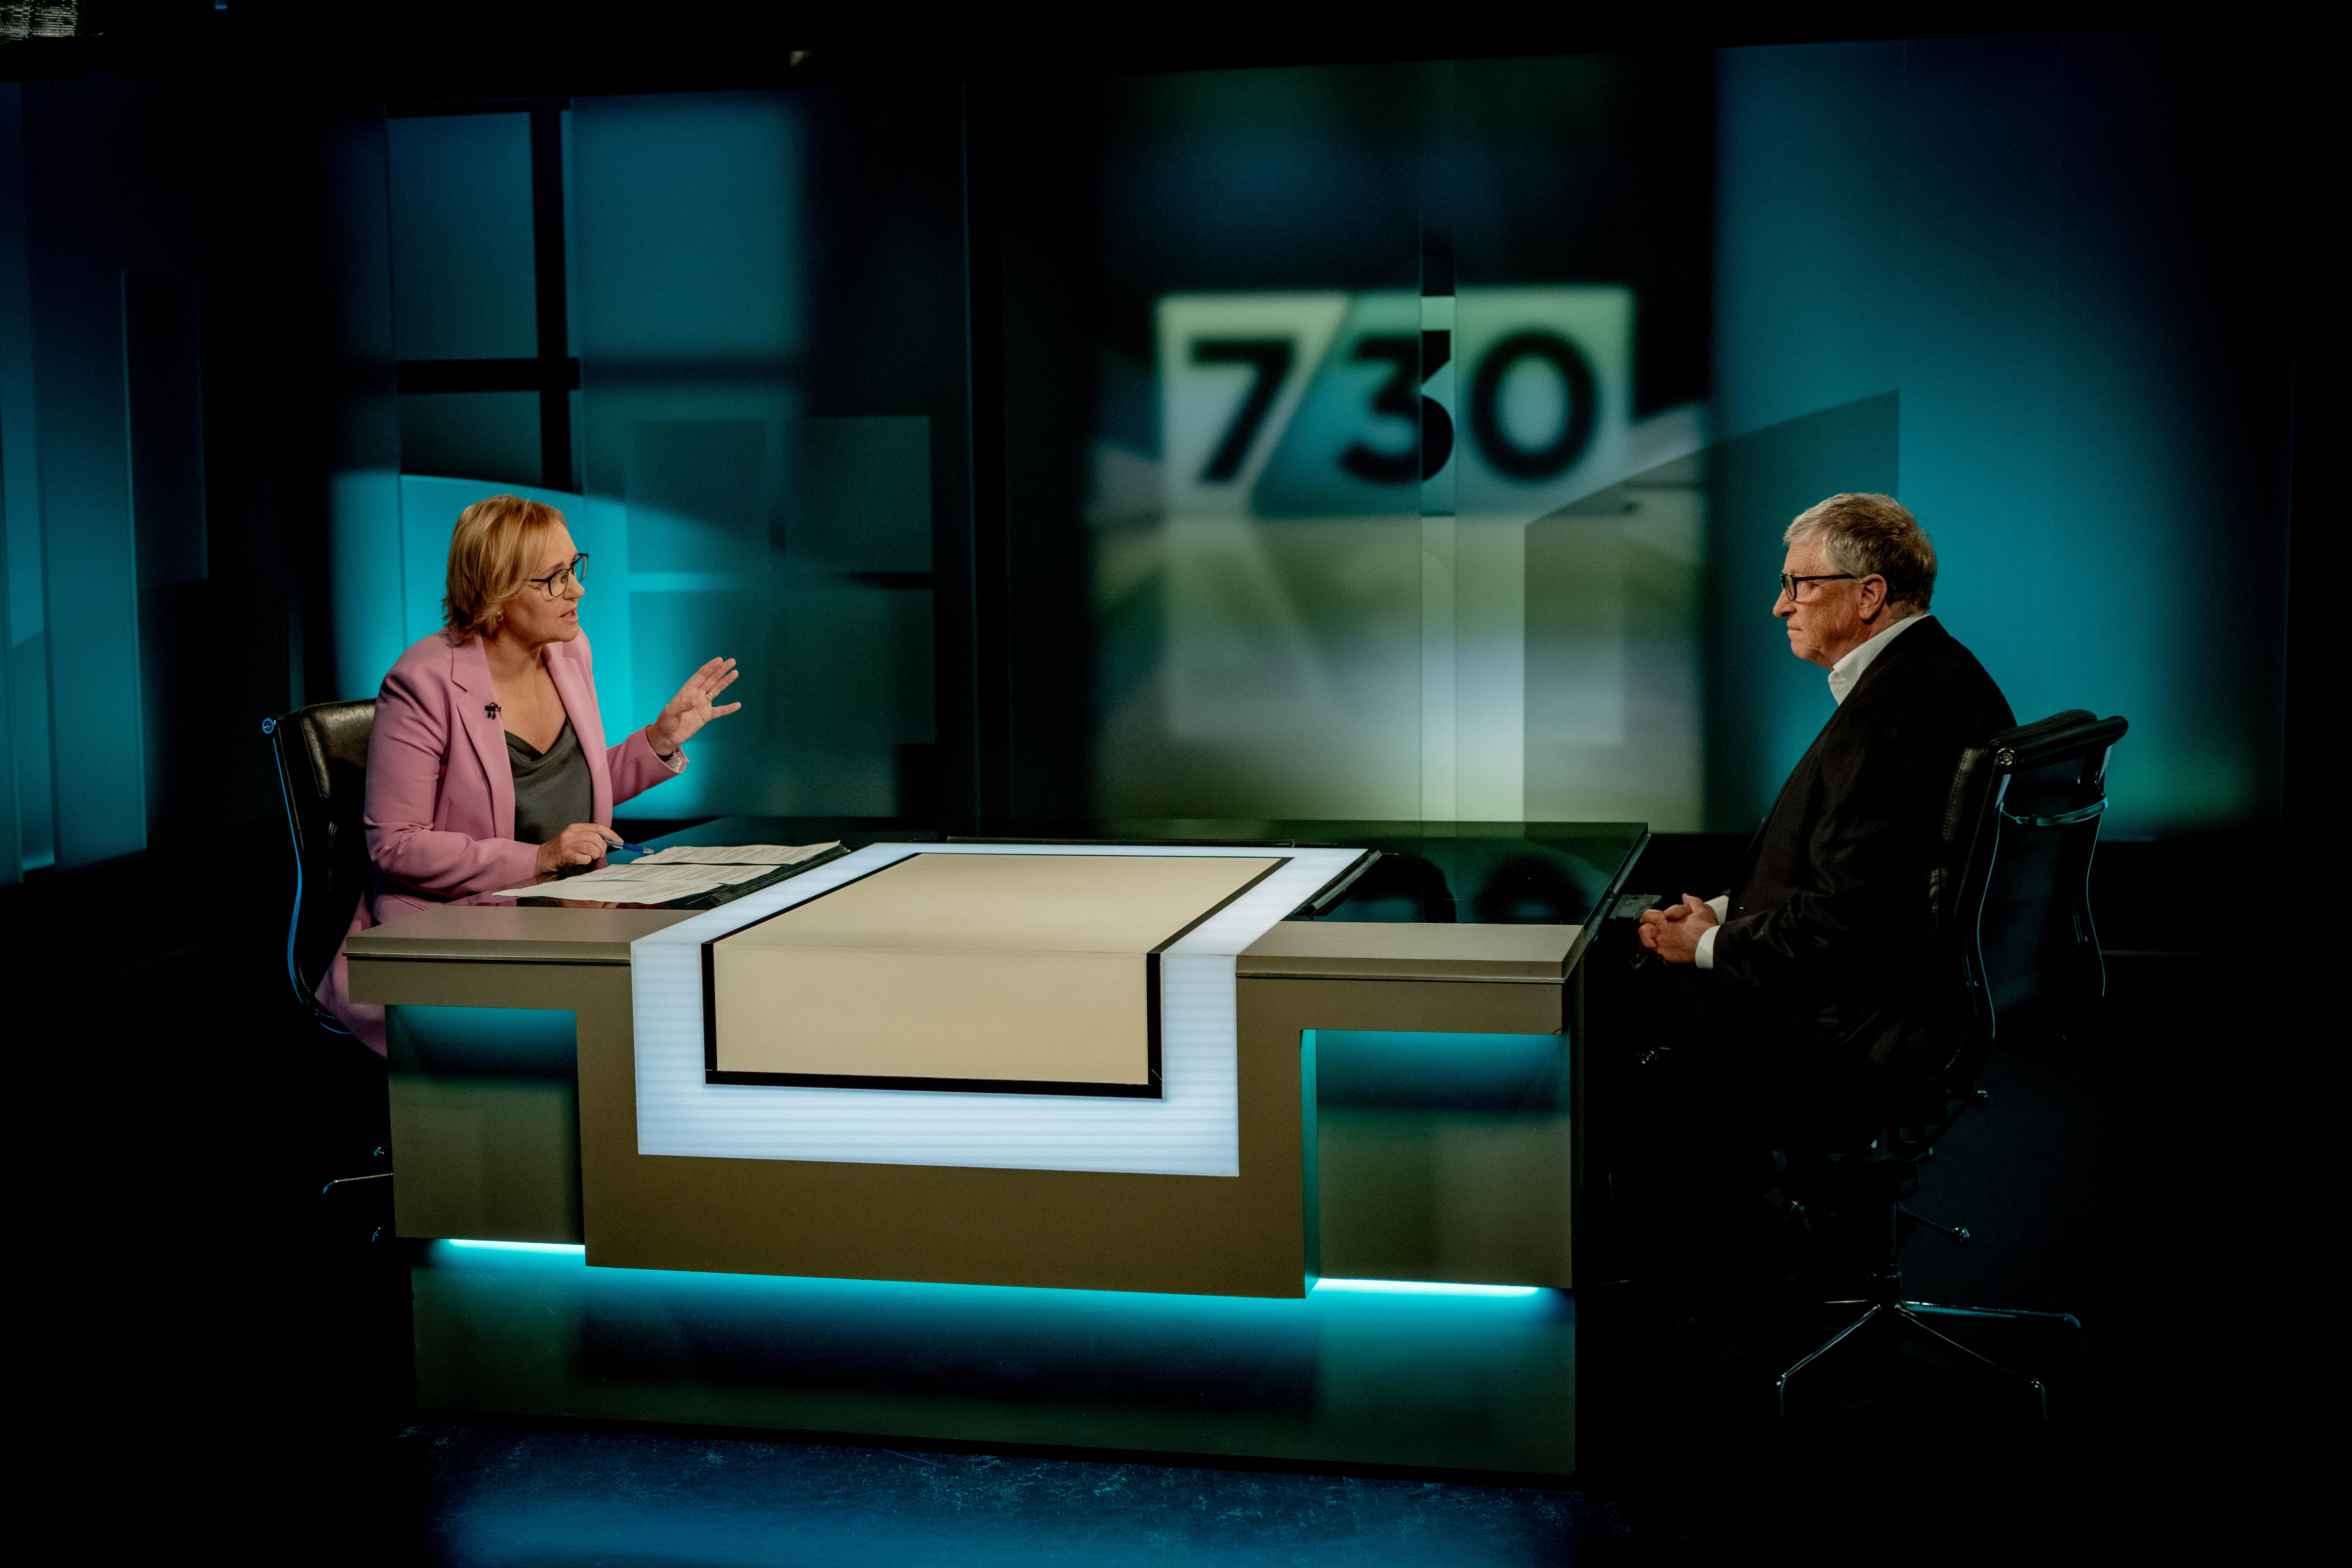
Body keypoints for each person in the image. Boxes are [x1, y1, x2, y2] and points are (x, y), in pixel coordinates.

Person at [1621, 494, 2012, 1287]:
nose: (1780, 605)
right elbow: (1860, 879)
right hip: (1908, 994)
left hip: (1853, 1022)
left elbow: (1843, 920)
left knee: (1613, 997)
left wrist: (1704, 944)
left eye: (1800, 585)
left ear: (1869, 594)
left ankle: (1699, 1279)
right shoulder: (1933, 674)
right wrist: (1726, 916)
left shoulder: (1894, 719)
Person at [317, 494, 744, 1051]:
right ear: (496, 593)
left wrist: (658, 741)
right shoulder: (423, 682)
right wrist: (538, 858)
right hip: (449, 920)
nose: (577, 590)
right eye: (554, 578)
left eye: (576, 568)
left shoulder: (569, 652)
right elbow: (396, 847)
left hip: (558, 906)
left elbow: (566, 791)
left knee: (683, 983)